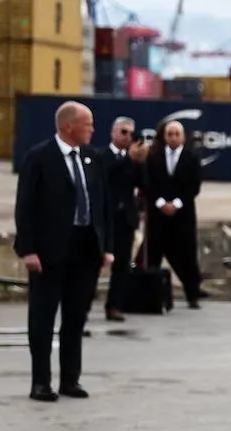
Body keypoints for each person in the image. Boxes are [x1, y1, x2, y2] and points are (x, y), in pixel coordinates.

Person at [14, 101, 114, 402]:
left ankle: (70, 380)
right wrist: (29, 249)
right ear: (68, 126)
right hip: (49, 252)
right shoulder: (40, 157)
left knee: (75, 318)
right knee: (43, 319)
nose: (93, 129)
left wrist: (106, 246)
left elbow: (102, 206)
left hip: (85, 250)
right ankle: (40, 382)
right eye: (88, 124)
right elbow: (26, 207)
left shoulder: (92, 159)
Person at [142, 120, 206, 308]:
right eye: (170, 134)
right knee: (153, 254)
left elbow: (194, 186)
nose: (173, 138)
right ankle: (150, 296)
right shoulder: (153, 157)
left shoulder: (191, 157)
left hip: (183, 214)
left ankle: (192, 295)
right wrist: (161, 203)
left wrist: (176, 204)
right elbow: (148, 183)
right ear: (164, 136)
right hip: (158, 214)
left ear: (183, 137)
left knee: (187, 255)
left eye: (177, 134)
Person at [100, 116, 148, 321]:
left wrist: (142, 163)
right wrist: (128, 159)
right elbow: (107, 175)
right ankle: (81, 306)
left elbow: (144, 184)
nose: (127, 136)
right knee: (95, 262)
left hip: (125, 218)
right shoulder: (101, 156)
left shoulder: (134, 160)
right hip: (105, 217)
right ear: (113, 133)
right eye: (123, 132)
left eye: (130, 133)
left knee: (122, 266)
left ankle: (115, 305)